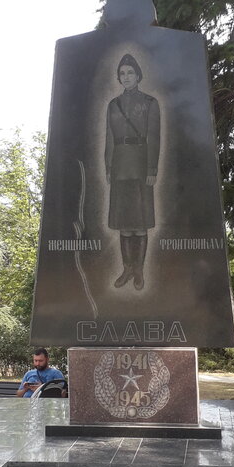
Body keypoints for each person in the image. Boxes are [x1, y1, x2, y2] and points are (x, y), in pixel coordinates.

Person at [104, 53, 160, 291]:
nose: (126, 77)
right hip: (119, 165)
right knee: (124, 223)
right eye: (122, 73)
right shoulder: (113, 104)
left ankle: (139, 270)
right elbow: (109, 137)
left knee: (140, 223)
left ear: (138, 75)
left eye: (130, 72)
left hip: (140, 163)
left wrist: (152, 168)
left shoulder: (150, 102)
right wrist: (108, 166)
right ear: (119, 77)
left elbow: (154, 137)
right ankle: (127, 268)